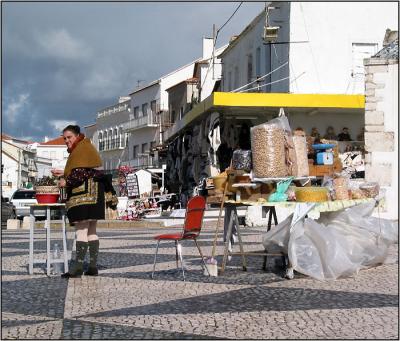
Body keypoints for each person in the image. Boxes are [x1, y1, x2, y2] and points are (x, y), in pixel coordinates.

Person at [52, 125, 116, 278]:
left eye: (69, 137)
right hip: (96, 195)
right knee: (92, 231)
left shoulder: (80, 149)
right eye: (65, 138)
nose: (67, 141)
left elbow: (79, 173)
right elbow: (85, 169)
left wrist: (64, 182)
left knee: (81, 230)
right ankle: (93, 267)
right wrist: (65, 171)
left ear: (77, 135)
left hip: (84, 196)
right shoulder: (85, 146)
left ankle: (77, 268)